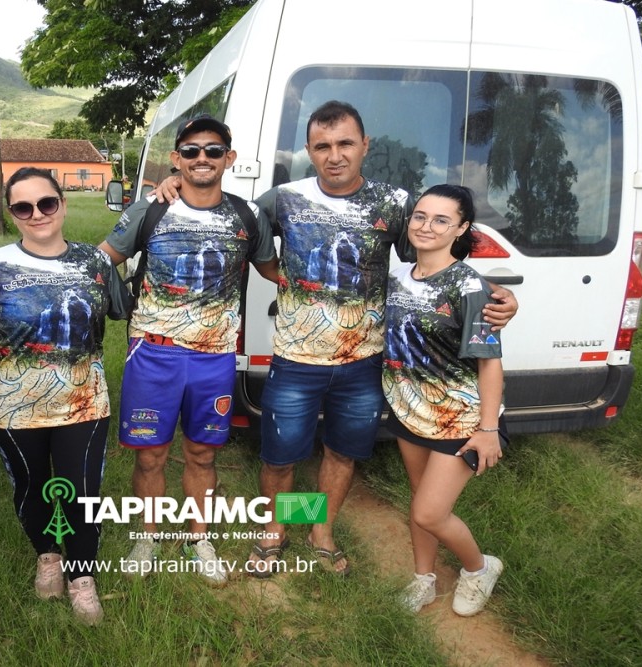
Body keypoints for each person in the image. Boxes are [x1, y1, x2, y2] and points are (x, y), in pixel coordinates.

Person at [155, 101, 516, 578]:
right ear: (309, 151)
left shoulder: (395, 203)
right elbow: (226, 213)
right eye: (322, 146)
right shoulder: (283, 199)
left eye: (345, 143)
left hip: (364, 362)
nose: (335, 155)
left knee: (340, 453)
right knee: (281, 457)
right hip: (295, 359)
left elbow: (436, 260)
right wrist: (175, 183)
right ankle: (275, 532)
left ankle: (320, 531)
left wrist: (495, 294)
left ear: (365, 146)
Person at [98, 115, 279, 586]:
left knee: (202, 454)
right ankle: (148, 536)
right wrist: (116, 305)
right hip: (152, 355)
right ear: (176, 159)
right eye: (192, 151)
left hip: (214, 358)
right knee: (150, 455)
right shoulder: (150, 210)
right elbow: (101, 261)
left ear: (229, 158)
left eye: (213, 150)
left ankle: (199, 539)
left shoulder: (247, 216)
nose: (203, 158)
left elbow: (275, 272)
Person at [0, 167, 126, 625]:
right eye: (23, 207)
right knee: (32, 486)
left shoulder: (94, 263)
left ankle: (82, 577)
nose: (37, 214)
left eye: (46, 203)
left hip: (83, 400)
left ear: (62, 203)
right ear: (12, 214)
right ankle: (48, 555)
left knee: (83, 492)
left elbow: (124, 311)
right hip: (12, 406)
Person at [383, 184, 506, 616]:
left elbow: (490, 362)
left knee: (430, 513)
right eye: (420, 216)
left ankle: (479, 568)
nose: (426, 226)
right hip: (410, 412)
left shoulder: (469, 286)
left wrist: (488, 430)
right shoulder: (398, 276)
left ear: (461, 228)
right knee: (420, 498)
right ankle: (424, 580)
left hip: (459, 417)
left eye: (441, 220)